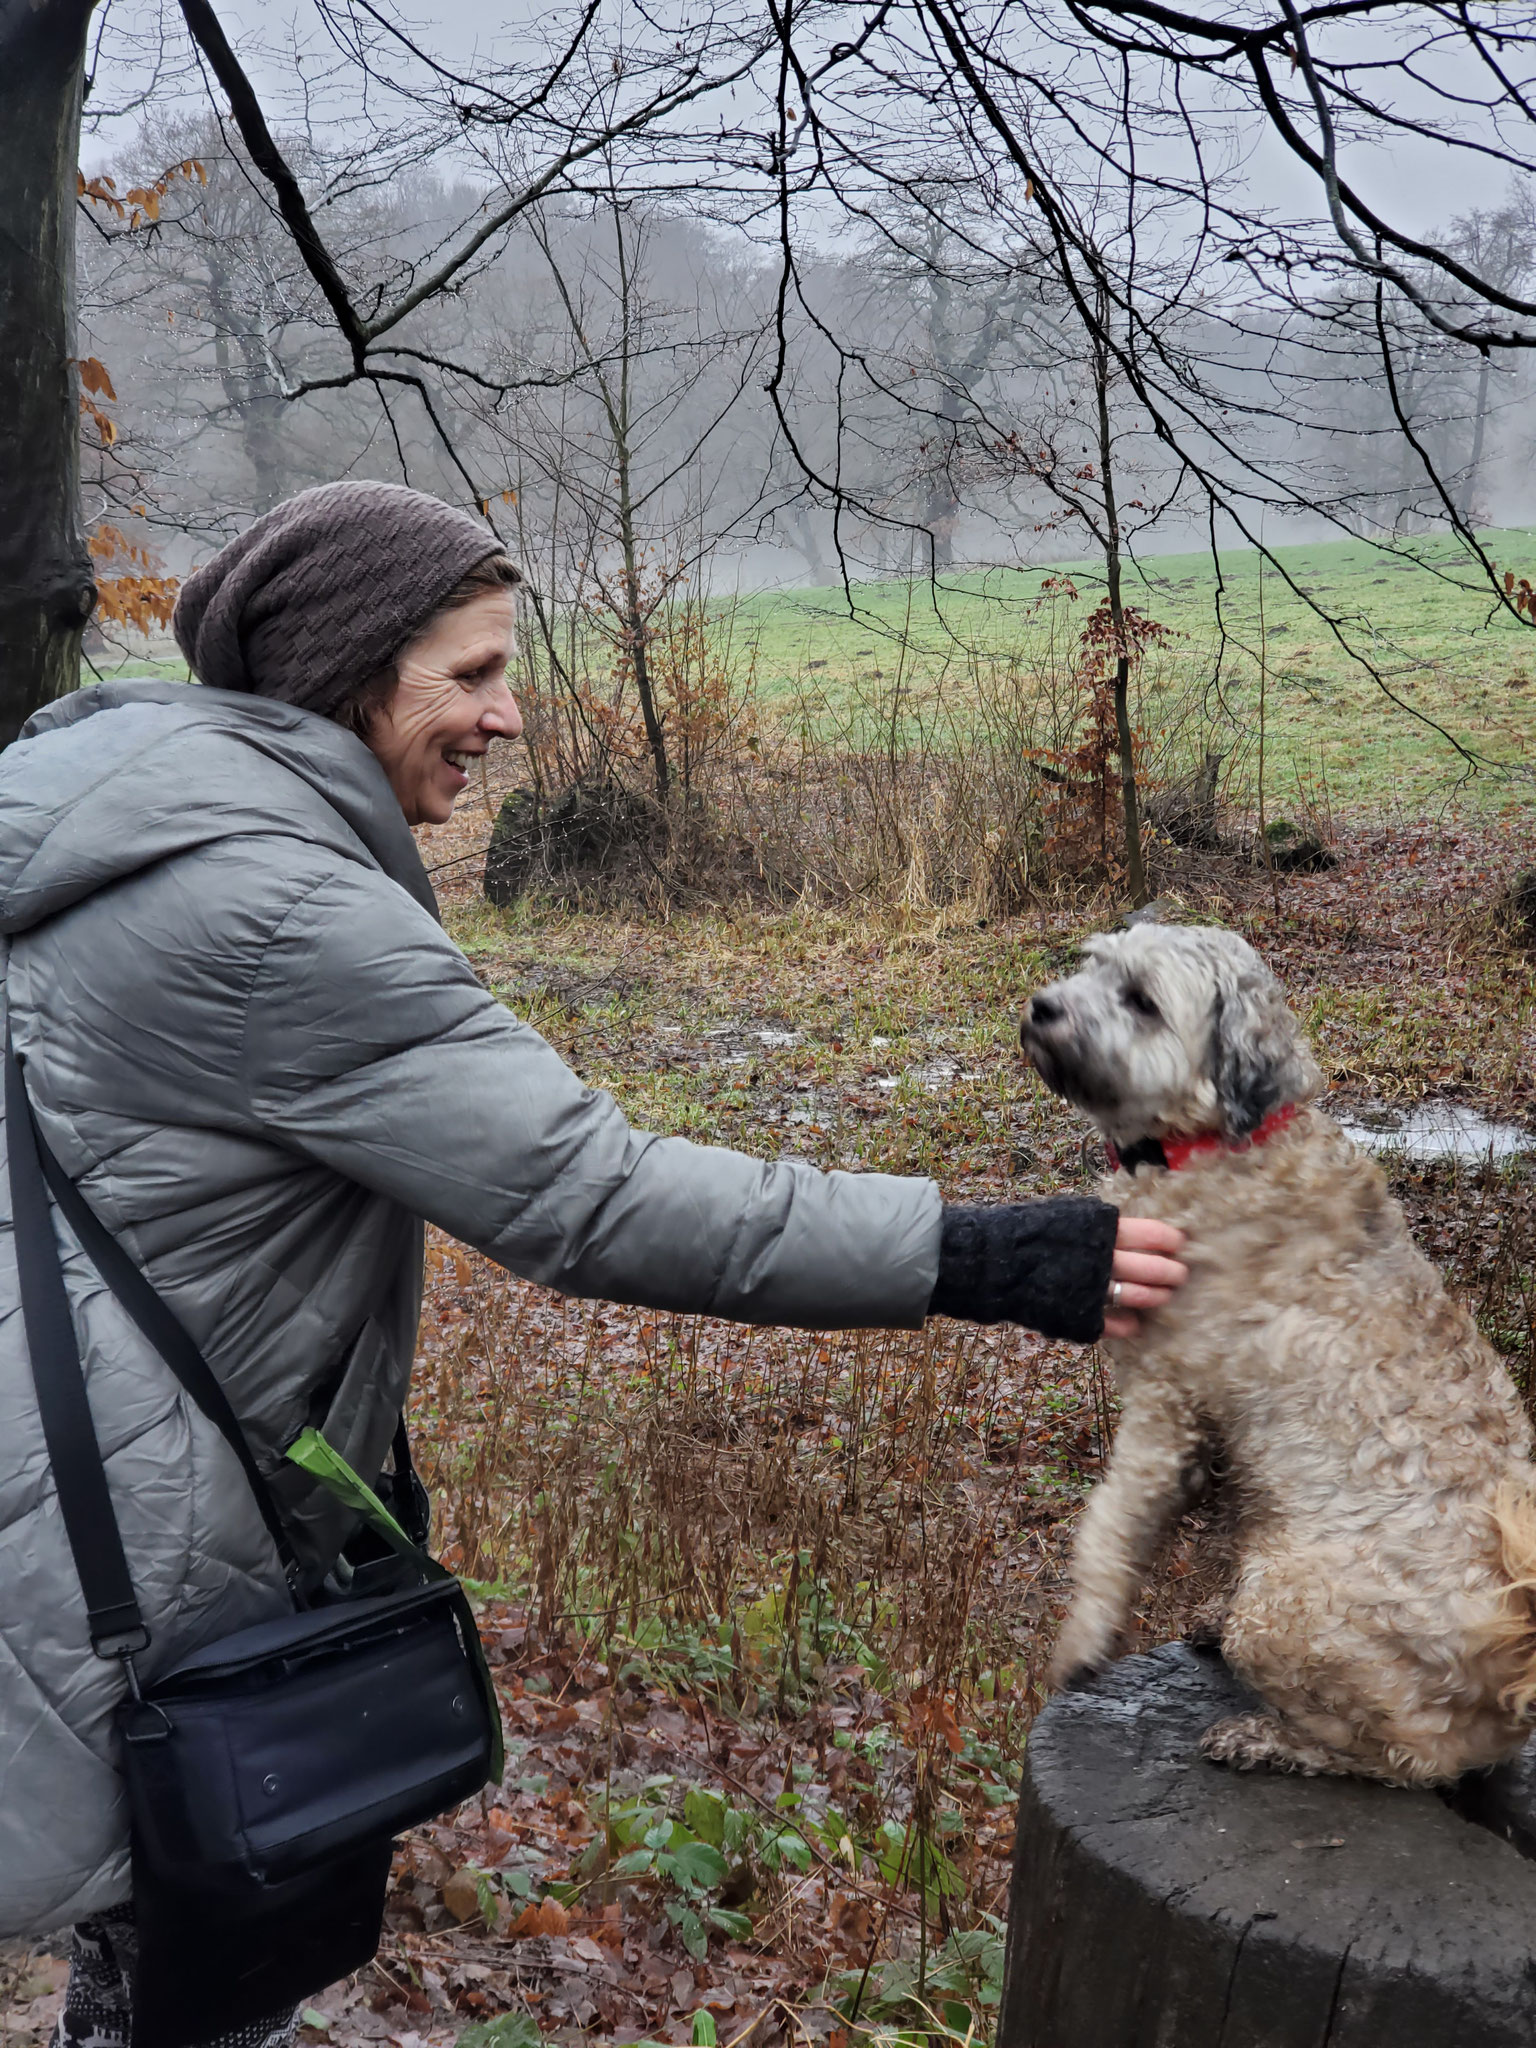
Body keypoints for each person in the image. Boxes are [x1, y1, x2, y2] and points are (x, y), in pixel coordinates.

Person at [0, 482, 1186, 2048]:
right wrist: (980, 1255)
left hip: (67, 1460)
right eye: (472, 674)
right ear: (350, 670)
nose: (509, 716)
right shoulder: (272, 905)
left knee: (151, 1951)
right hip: (133, 1539)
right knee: (199, 1970)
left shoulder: (111, 825)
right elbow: (592, 1193)